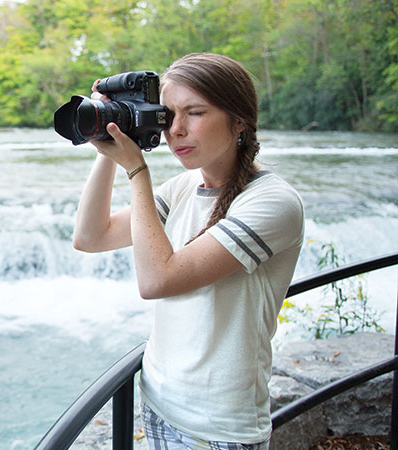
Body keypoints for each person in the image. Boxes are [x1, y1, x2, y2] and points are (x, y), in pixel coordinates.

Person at [72, 53, 304, 449]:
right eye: (169, 115)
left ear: (239, 121)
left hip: (218, 426)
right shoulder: (183, 188)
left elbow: (159, 279)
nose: (175, 130)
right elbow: (91, 237)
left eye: (195, 113)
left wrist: (137, 171)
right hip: (160, 404)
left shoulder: (272, 202)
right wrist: (104, 148)